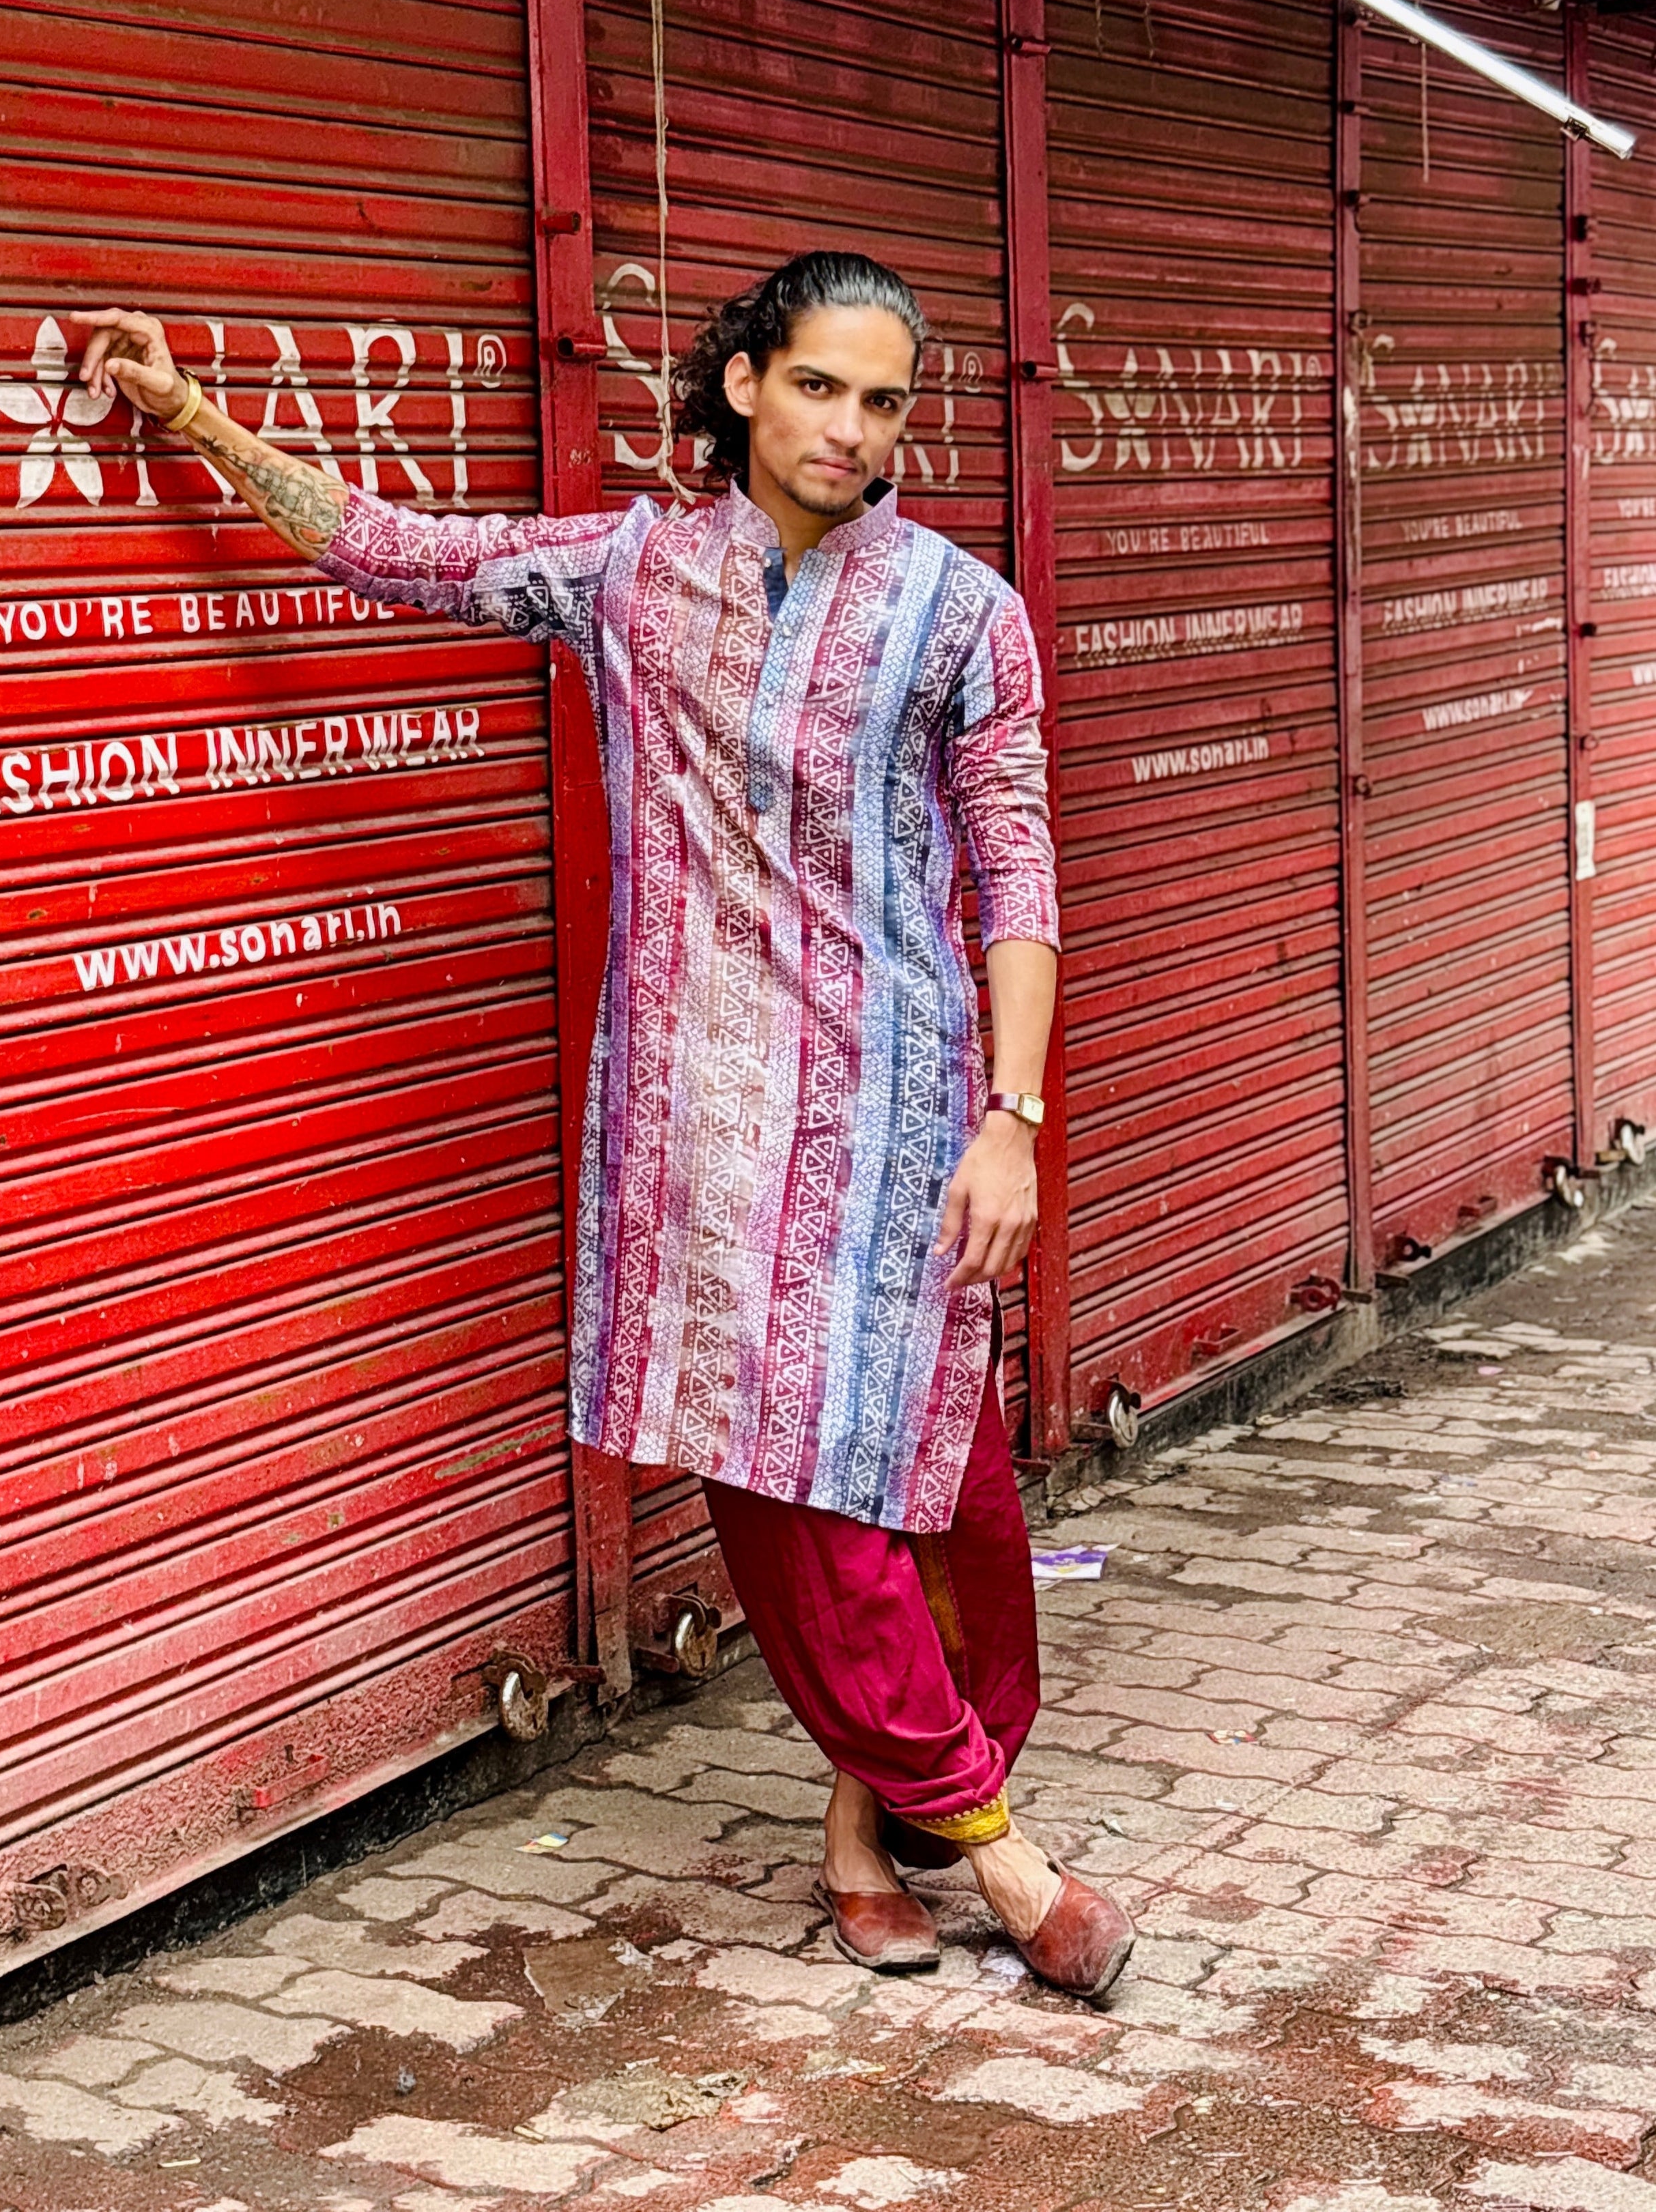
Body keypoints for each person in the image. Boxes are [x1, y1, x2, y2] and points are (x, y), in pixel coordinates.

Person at [72, 255, 1134, 1998]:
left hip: (910, 1115)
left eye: (882, 401)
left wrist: (1015, 1114)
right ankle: (1001, 1860)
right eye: (817, 387)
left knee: (947, 1492)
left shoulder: (962, 613)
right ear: (741, 386)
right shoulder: (629, 575)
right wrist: (194, 415)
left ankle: (874, 1825)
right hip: (704, 1126)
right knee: (787, 1488)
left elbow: (1017, 861)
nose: (849, 430)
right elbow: (392, 548)